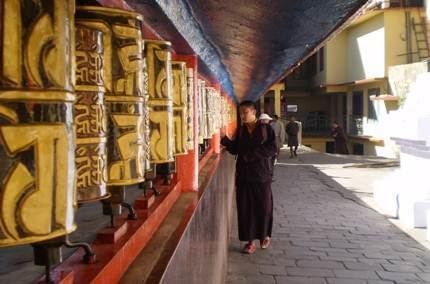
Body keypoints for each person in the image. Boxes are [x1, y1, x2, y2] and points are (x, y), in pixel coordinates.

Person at [221, 101, 277, 254]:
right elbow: (235, 149)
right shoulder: (241, 131)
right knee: (246, 209)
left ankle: (264, 234)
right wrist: (224, 140)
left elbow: (273, 148)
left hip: (262, 175)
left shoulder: (265, 129)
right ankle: (250, 242)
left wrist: (252, 156)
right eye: (240, 113)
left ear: (253, 112)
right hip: (244, 176)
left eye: (245, 112)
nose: (242, 116)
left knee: (264, 207)